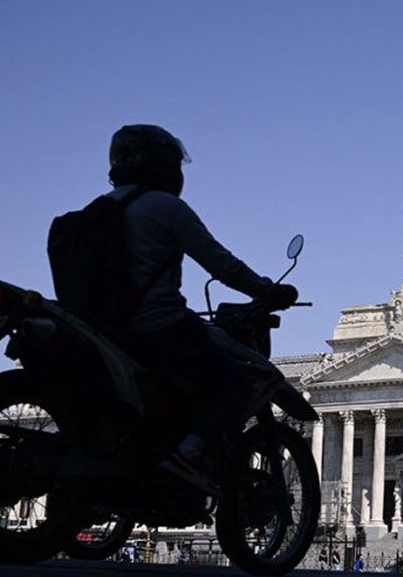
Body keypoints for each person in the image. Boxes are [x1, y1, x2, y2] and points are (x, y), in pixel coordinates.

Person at [105, 125, 297, 486]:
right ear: (163, 165)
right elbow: (221, 264)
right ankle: (187, 453)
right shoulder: (164, 207)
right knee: (237, 384)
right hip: (159, 328)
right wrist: (267, 290)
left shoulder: (95, 212)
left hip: (107, 331)